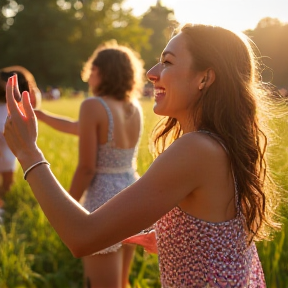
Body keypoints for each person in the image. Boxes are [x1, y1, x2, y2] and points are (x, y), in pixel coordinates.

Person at [4, 23, 284, 287]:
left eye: (168, 62)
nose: (152, 72)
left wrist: (29, 153)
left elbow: (82, 237)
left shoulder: (196, 148)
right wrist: (175, 238)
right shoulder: (220, 143)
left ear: (205, 78)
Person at [34, 42, 145, 288]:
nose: (88, 75)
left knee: (102, 284)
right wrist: (42, 116)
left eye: (91, 69)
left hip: (103, 198)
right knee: (121, 280)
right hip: (132, 194)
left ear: (100, 72)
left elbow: (87, 167)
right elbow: (79, 128)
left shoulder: (93, 105)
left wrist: (66, 209)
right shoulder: (133, 107)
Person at [0, 66, 41, 201]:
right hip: (7, 143)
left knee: (7, 176)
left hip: (8, 144)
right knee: (7, 176)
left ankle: (3, 203)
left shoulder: (13, 108)